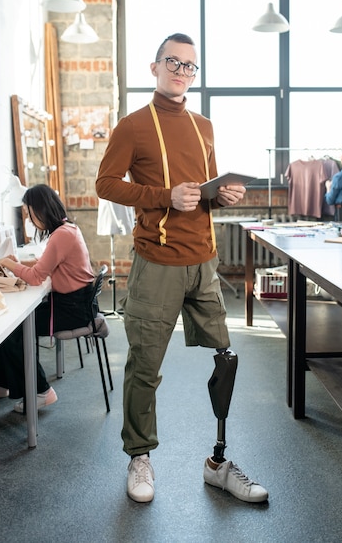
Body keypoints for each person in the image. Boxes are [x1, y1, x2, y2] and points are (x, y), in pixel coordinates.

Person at [96, 32, 268, 504]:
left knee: (225, 360)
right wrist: (162, 196)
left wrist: (224, 195)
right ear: (154, 68)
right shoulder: (132, 126)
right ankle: (139, 457)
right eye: (172, 61)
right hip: (157, 265)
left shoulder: (204, 126)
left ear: (195, 74)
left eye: (190, 65)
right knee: (145, 366)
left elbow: (203, 190)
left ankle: (218, 462)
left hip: (203, 263)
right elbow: (106, 184)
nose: (181, 70)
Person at [0, 184, 96, 413]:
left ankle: (42, 391)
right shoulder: (68, 229)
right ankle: (1, 383)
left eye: (31, 215)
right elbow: (44, 266)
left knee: (13, 332)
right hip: (77, 304)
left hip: (71, 310)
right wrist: (18, 265)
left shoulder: (61, 236)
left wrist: (11, 264)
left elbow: (35, 277)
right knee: (10, 329)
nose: (32, 221)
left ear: (41, 210)